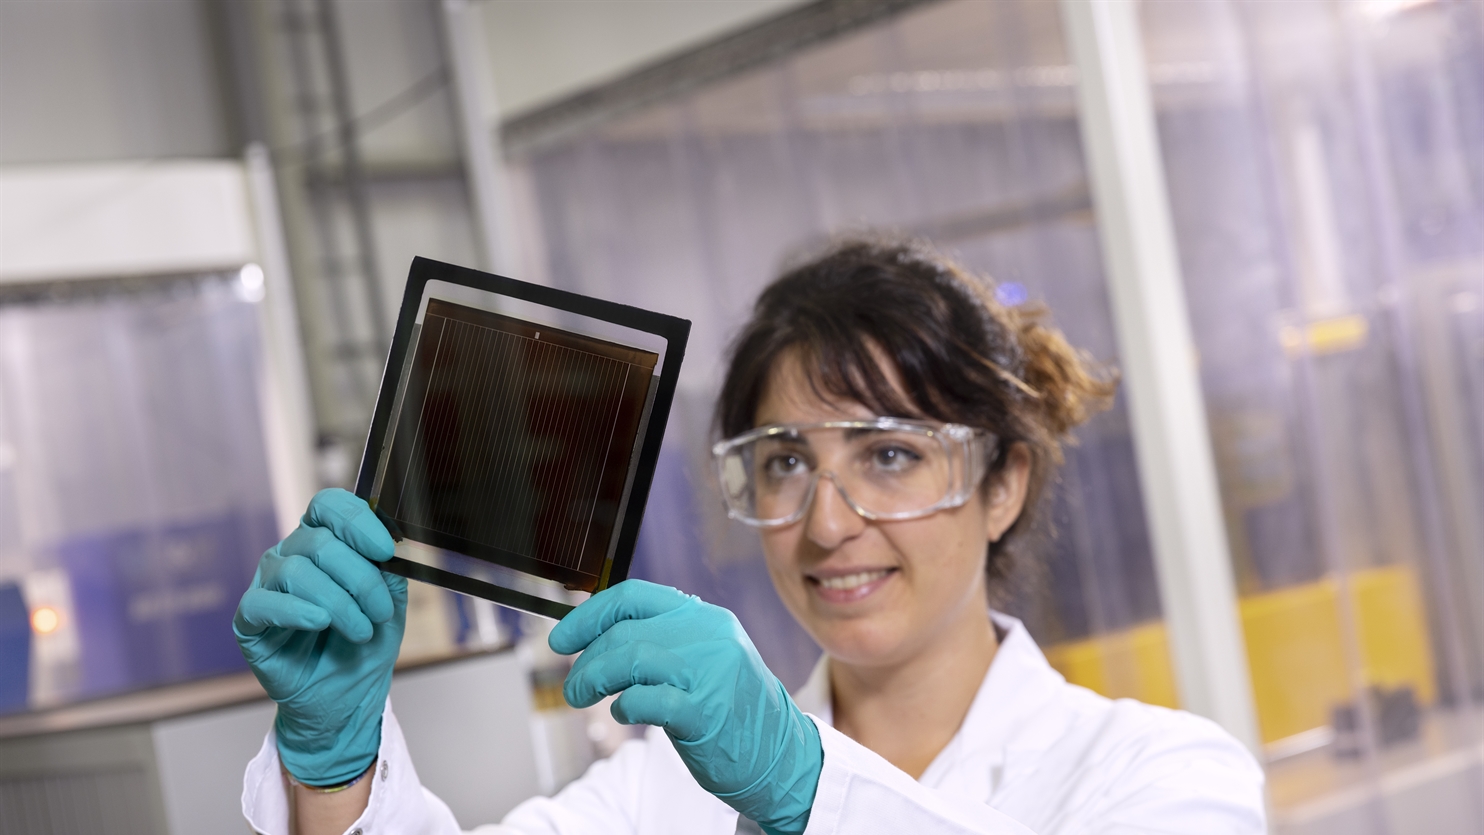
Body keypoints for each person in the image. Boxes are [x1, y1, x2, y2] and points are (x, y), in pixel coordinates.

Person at [236, 238, 1266, 835]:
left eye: (889, 456)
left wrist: (803, 790)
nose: (824, 521)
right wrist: (334, 767)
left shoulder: (1157, 771)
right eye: (782, 461)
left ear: (1001, 484)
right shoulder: (662, 792)